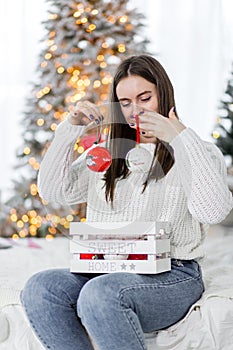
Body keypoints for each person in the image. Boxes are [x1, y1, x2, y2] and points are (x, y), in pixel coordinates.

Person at [21, 54, 233, 350]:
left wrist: (179, 139)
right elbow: (54, 191)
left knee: (100, 293)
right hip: (108, 268)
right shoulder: (107, 154)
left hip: (172, 274)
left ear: (164, 95)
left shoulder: (199, 152)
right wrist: (70, 129)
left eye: (145, 98)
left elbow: (213, 210)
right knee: (41, 289)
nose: (136, 110)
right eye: (125, 102)